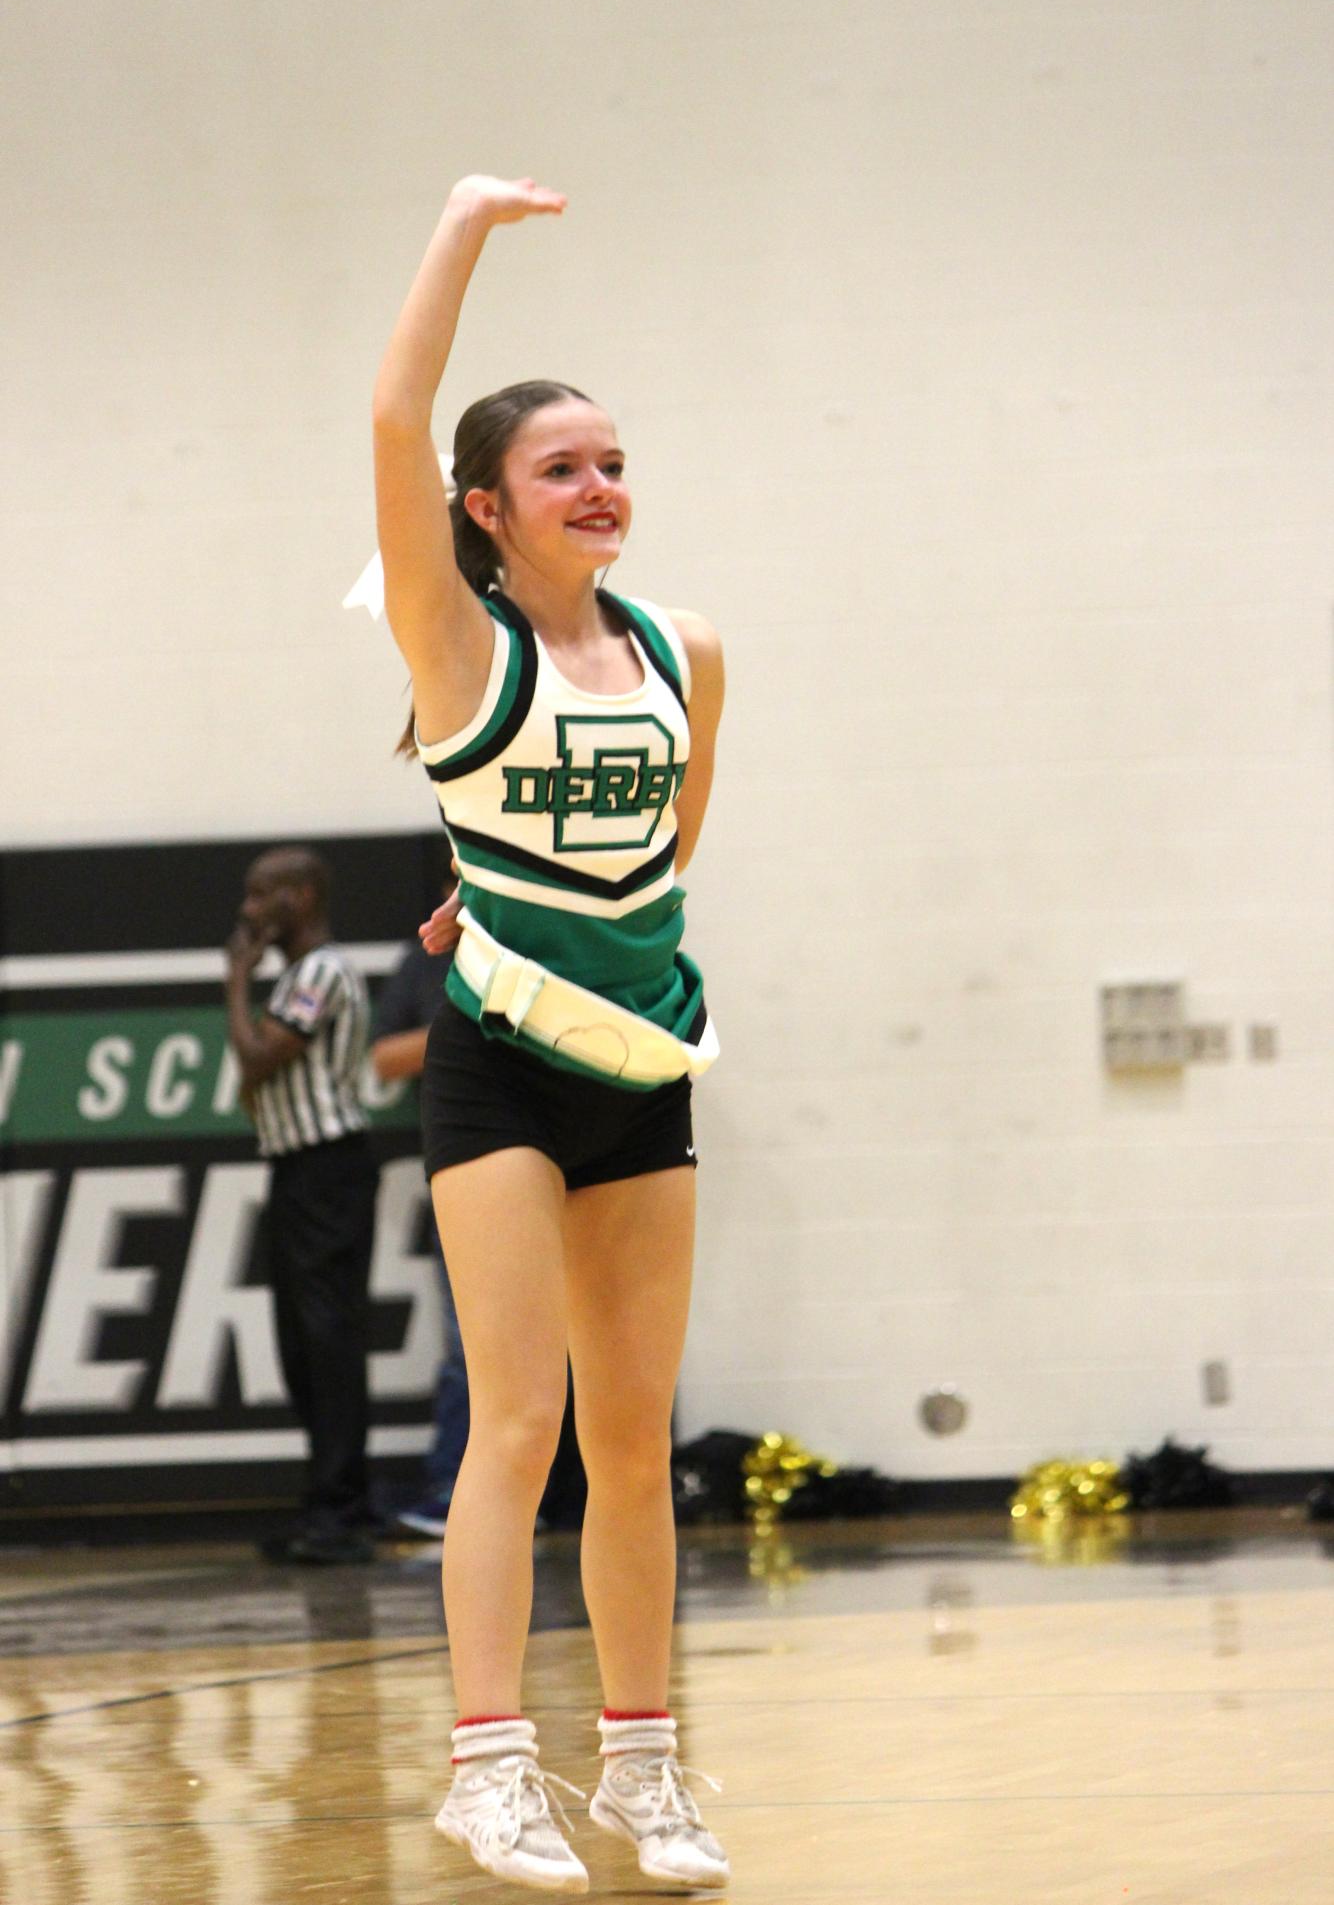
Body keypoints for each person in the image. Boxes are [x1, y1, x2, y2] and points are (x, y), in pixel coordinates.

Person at [372, 173, 729, 1891]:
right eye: (559, 467)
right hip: (498, 1068)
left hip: (642, 1058)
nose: (599, 486)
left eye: (610, 459)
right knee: (516, 1418)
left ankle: (645, 1772)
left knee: (636, 1435)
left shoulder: (686, 651)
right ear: (485, 509)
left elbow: (661, 854)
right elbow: (387, 411)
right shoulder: (458, 642)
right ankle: (488, 1765)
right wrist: (463, 226)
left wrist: (512, 888)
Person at [225, 845, 380, 1567]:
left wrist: (234, 979)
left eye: (265, 896)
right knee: (301, 1339)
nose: (252, 911)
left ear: (304, 896)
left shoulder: (319, 973)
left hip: (328, 1167)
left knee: (326, 1337)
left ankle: (340, 1510)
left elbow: (260, 1058)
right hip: (299, 1170)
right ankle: (328, 1500)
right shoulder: (298, 976)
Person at [368, 890, 470, 1537]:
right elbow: (383, 1057)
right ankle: (458, 1487)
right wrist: (472, 1024)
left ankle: (563, 1493)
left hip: (571, 1155)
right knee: (468, 1340)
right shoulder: (430, 950)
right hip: (464, 1158)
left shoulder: (554, 923)